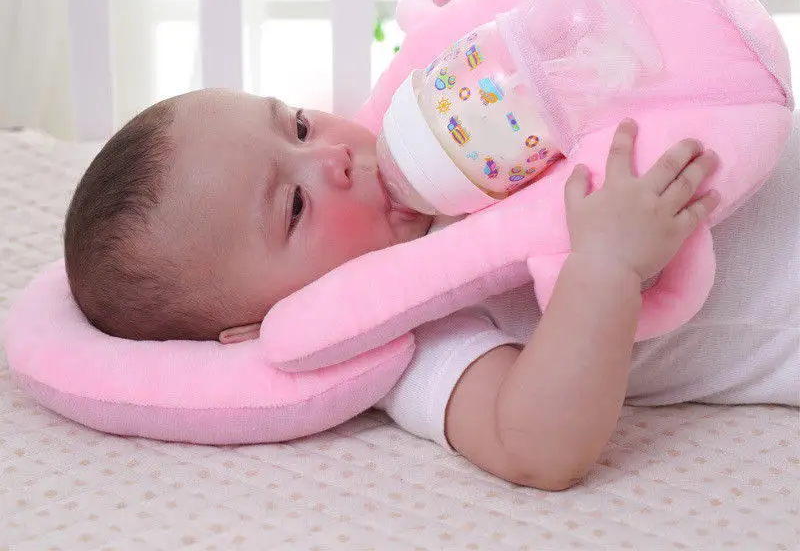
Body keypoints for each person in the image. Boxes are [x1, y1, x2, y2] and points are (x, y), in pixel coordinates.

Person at [64, 88, 799, 490]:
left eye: (297, 125)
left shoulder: (436, 138)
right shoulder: (415, 333)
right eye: (294, 206)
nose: (333, 155)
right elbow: (534, 445)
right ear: (267, 320)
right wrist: (605, 267)